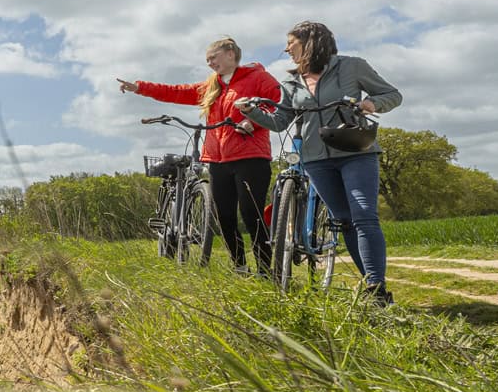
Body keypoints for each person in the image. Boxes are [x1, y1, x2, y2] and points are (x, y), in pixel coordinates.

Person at [237, 20, 403, 305]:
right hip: (315, 159)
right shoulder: (290, 82)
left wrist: (370, 105)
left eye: (291, 43)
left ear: (310, 41)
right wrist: (252, 112)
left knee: (363, 214)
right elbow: (280, 121)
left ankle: (376, 287)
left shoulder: (351, 66)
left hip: (355, 153)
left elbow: (392, 95)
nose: (287, 48)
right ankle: (373, 287)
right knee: (345, 222)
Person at [119, 36, 282, 274]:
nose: (210, 63)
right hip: (217, 160)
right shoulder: (212, 85)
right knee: (223, 215)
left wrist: (251, 121)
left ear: (230, 53)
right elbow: (176, 92)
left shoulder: (258, 77)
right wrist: (141, 88)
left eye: (213, 58)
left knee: (251, 214)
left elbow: (275, 102)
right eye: (207, 60)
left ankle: (266, 271)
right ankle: (240, 266)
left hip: (250, 157)